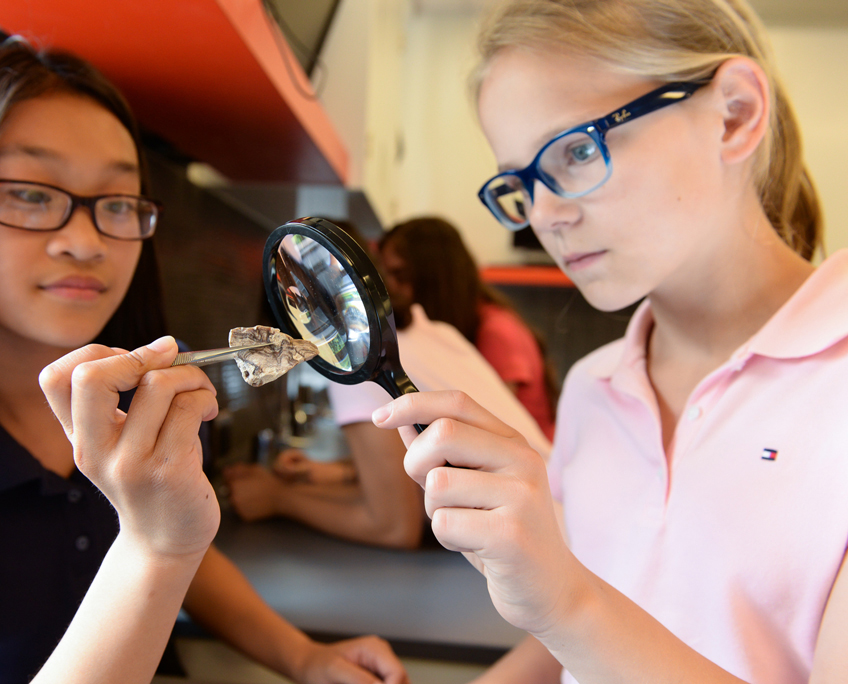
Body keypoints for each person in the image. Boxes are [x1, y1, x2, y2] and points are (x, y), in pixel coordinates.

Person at [0, 43, 407, 684]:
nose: (86, 241)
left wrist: (304, 657)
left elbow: (188, 545)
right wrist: (153, 546)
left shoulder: (138, 406)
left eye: (118, 201)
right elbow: (159, 537)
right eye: (30, 194)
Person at [368, 0, 848, 682]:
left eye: (575, 150)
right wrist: (556, 602)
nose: (545, 216)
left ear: (735, 114)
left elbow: (578, 611)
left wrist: (565, 599)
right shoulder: (597, 387)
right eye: (522, 183)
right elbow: (584, 635)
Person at [224, 223, 550, 550]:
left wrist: (279, 498)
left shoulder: (357, 359)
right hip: (556, 509)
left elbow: (394, 525)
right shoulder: (435, 331)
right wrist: (340, 474)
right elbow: (413, 479)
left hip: (540, 538)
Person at [377, 216, 557, 440]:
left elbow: (492, 430)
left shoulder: (497, 332)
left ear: (433, 276)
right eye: (386, 276)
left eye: (399, 275)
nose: (389, 288)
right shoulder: (470, 323)